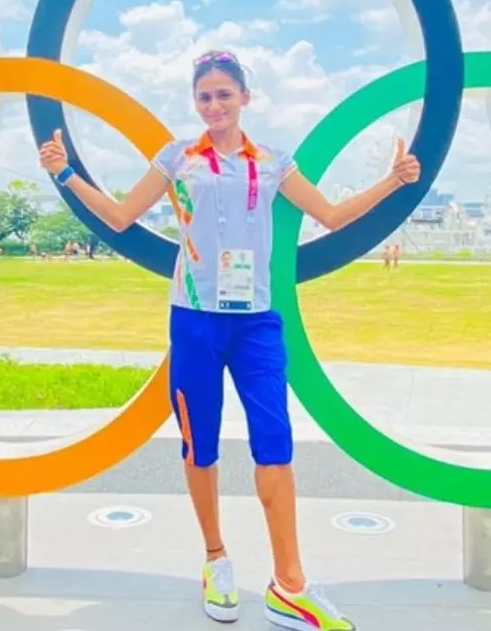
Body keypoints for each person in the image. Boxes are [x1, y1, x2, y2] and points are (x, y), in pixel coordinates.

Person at [38, 49, 419, 630]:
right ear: (196, 102)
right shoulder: (177, 157)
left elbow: (331, 215)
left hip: (255, 322)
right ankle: (215, 559)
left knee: (276, 443)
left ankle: (290, 585)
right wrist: (65, 173)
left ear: (245, 97)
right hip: (194, 320)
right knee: (200, 445)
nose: (214, 105)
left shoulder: (272, 161)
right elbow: (119, 216)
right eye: (204, 96)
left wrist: (393, 180)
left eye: (224, 94)